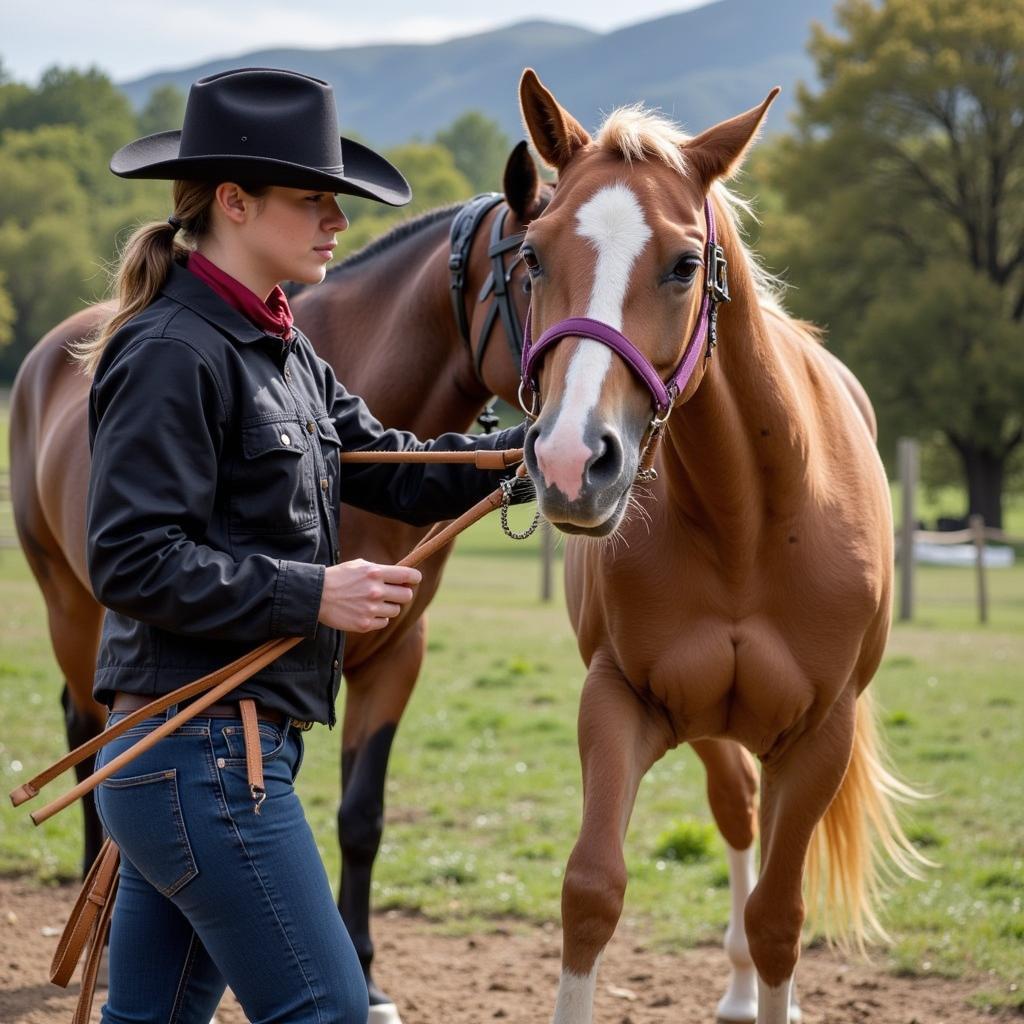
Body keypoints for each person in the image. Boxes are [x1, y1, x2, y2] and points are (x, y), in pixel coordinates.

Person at [75, 67, 527, 1023]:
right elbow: (130, 559)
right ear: (233, 202)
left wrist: (522, 454)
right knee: (329, 1010)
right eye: (313, 199)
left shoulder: (283, 348)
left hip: (207, 756)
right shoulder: (171, 351)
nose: (338, 220)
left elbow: (388, 463)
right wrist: (311, 593)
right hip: (197, 755)